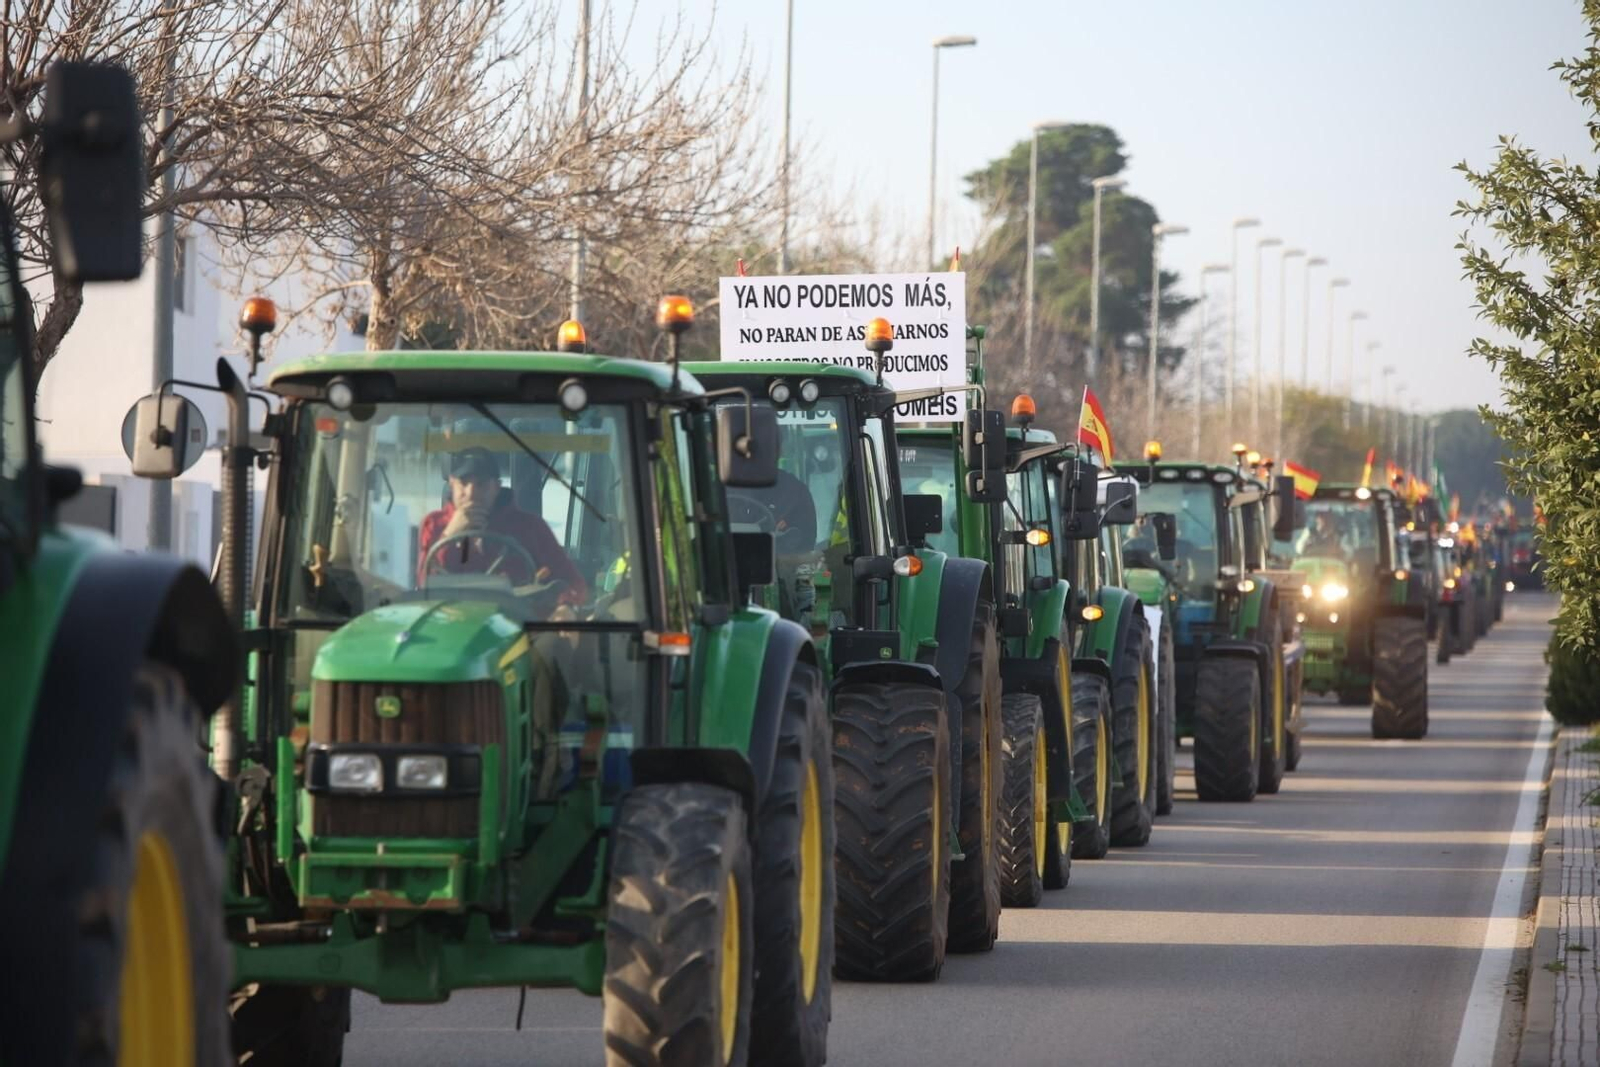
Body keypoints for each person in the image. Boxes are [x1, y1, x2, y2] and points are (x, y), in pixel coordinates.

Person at [417, 447, 588, 605]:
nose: (471, 493)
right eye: (463, 483)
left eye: (481, 484)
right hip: (450, 625)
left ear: (497, 487)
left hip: (518, 628)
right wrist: (450, 534)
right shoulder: (434, 525)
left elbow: (573, 583)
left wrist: (565, 607)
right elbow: (424, 584)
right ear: (452, 483)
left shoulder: (530, 527)